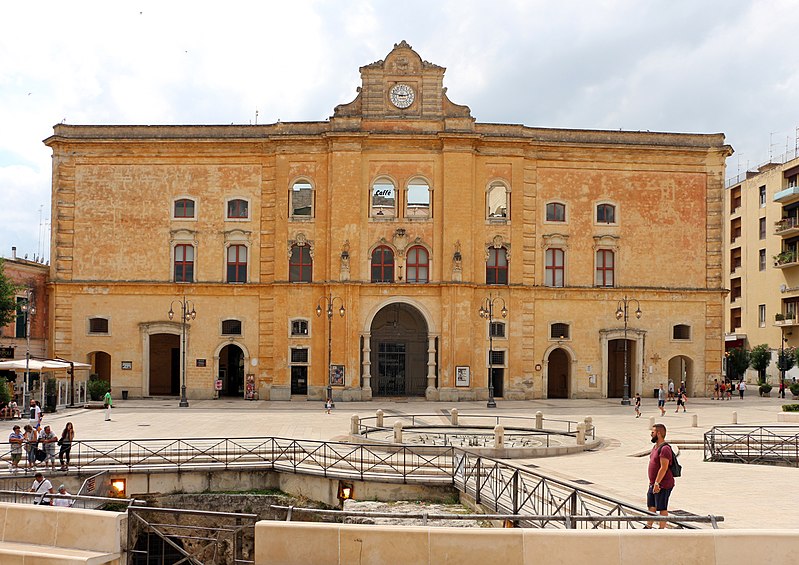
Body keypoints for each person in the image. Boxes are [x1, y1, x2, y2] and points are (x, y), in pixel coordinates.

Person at [645, 424, 675, 529]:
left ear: (658, 433)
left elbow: (664, 467)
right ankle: (648, 526)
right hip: (653, 483)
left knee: (662, 507)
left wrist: (657, 483)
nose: (651, 434)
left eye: (652, 432)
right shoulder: (655, 447)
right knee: (651, 506)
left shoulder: (665, 449)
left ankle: (662, 529)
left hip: (663, 484)